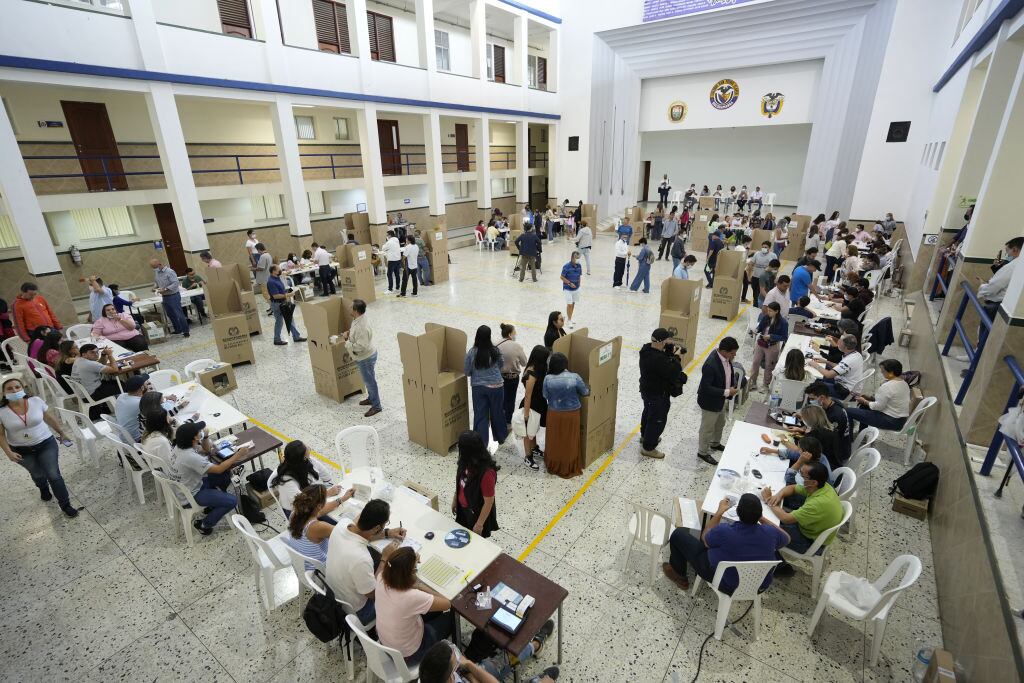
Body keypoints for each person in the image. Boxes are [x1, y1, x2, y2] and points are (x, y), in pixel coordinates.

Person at [663, 493, 788, 591]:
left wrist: (719, 512)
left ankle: (679, 575)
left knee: (677, 534)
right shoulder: (771, 532)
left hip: (725, 583)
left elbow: (705, 539)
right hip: (758, 586)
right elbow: (787, 538)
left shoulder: (725, 531)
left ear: (738, 512)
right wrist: (760, 517)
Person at [0, 377, 78, 518]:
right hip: (20, 449)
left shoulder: (35, 401)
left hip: (45, 443)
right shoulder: (2, 412)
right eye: (10, 389)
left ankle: (66, 505)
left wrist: (61, 433)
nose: (14, 390)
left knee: (54, 475)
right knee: (37, 474)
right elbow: (1, 435)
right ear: (3, 393)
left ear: (22, 388)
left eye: (17, 387)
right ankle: (42, 487)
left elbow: (48, 418)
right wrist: (8, 453)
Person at [325, 499, 406, 623]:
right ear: (377, 527)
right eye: (386, 523)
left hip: (334, 593)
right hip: (357, 611)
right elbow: (373, 594)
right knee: (399, 585)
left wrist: (387, 533)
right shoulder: (361, 558)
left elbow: (363, 535)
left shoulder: (343, 524)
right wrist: (385, 558)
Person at [166, 420, 250, 535]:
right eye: (199, 432)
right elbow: (219, 468)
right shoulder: (190, 457)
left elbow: (205, 450)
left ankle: (214, 504)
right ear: (195, 438)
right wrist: (238, 455)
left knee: (224, 476)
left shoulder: (180, 446)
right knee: (232, 500)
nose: (201, 431)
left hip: (186, 487)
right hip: (191, 495)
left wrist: (205, 436)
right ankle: (204, 524)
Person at [761, 461, 844, 574]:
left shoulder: (817, 504)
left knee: (764, 529)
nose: (799, 476)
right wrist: (777, 495)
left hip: (809, 542)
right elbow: (793, 488)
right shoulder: (823, 486)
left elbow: (786, 518)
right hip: (814, 529)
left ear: (813, 482)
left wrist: (768, 500)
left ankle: (779, 567)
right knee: (778, 510)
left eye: (802, 475)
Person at [375, 546, 454, 665]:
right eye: (414, 569)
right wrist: (418, 584)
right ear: (410, 574)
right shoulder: (411, 597)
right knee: (450, 618)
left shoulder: (381, 577)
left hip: (386, 643)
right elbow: (447, 603)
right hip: (409, 654)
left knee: (433, 609)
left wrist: (409, 560)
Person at [638, 329, 687, 460]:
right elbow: (674, 372)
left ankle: (645, 436)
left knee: (648, 413)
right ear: (662, 342)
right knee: (657, 420)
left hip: (647, 391)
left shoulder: (646, 350)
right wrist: (677, 357)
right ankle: (649, 448)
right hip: (658, 394)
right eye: (667, 341)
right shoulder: (658, 360)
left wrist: (669, 352)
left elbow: (662, 361)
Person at [418, 639, 559, 683]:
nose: (460, 659)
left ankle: (532, 647)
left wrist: (470, 673)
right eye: (456, 661)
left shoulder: (429, 676)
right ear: (449, 678)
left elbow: (462, 665)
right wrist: (469, 665)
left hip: (468, 677)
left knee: (504, 660)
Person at [274, 439, 349, 517]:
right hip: (298, 513)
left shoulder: (307, 461)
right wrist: (331, 495)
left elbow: (327, 477)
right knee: (336, 521)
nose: (310, 450)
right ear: (303, 457)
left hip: (313, 501)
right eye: (308, 449)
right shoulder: (287, 481)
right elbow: (307, 506)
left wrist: (329, 492)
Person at [542, 352, 589, 478]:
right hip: (572, 414)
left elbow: (545, 395)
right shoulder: (575, 377)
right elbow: (584, 392)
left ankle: (553, 463)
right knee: (570, 440)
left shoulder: (547, 379)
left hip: (554, 413)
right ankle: (568, 465)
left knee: (555, 439)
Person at [696, 337, 740, 466]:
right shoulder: (710, 365)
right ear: (724, 351)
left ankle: (715, 443)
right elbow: (706, 387)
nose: (735, 355)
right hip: (710, 401)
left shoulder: (726, 358)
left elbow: (729, 372)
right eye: (733, 353)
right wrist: (727, 392)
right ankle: (702, 452)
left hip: (721, 399)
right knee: (707, 428)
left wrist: (733, 384)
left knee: (720, 422)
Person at [465, 325, 508, 447]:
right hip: (497, 386)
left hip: (479, 387)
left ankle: (481, 442)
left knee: (481, 415)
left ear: (477, 336)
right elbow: (501, 364)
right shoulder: (495, 350)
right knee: (497, 412)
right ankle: (501, 437)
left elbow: (467, 371)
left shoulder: (472, 352)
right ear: (489, 336)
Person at [451, 431, 499, 537]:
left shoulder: (486, 473)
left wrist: (479, 524)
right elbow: (460, 482)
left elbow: (488, 502)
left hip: (476, 515)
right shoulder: (465, 462)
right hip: (463, 510)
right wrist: (455, 499)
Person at [846, 359, 911, 432]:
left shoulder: (887, 386)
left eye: (883, 371)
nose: (881, 372)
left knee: (847, 411)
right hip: (900, 420)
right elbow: (887, 400)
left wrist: (864, 401)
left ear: (891, 372)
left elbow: (878, 407)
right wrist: (865, 397)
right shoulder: (904, 384)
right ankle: (862, 432)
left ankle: (848, 439)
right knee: (864, 406)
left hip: (890, 421)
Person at [343, 299, 380, 417]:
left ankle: (376, 406)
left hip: (365, 358)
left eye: (351, 307)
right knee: (369, 380)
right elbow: (357, 333)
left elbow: (360, 347)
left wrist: (347, 341)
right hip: (366, 355)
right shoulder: (359, 318)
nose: (349, 308)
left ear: (356, 311)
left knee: (369, 382)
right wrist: (350, 333)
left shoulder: (362, 327)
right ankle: (371, 398)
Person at [283, 484, 337, 567]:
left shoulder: (295, 513)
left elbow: (321, 511)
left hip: (302, 562)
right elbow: (344, 533)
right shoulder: (318, 527)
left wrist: (341, 500)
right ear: (319, 506)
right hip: (318, 567)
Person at [517, 345, 549, 470]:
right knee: (528, 432)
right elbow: (528, 395)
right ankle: (528, 457)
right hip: (531, 405)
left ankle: (534, 448)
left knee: (534, 429)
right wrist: (526, 414)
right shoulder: (531, 373)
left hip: (540, 402)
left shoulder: (540, 368)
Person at [977, 237, 1023, 325]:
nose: (1007, 255)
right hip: (1009, 307)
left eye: (1007, 251)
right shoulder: (1016, 264)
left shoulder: (1012, 266)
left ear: (1015, 249)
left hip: (996, 306)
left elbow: (994, 287)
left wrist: (983, 286)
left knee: (985, 334)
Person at [803, 382, 851, 464]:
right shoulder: (832, 402)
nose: (810, 401)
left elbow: (826, 439)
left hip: (836, 454)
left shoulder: (835, 416)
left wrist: (805, 432)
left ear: (822, 397)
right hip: (834, 443)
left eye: (812, 399)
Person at [71, 343, 121, 418]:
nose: (96, 354)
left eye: (97, 352)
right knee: (121, 384)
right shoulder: (89, 364)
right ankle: (122, 406)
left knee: (112, 382)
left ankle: (110, 405)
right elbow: (114, 370)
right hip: (92, 395)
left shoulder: (79, 360)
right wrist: (110, 355)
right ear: (84, 354)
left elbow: (98, 365)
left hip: (83, 394)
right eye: (92, 352)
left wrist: (103, 355)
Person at [809, 333, 863, 399]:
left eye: (840, 342)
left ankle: (813, 403)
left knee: (813, 386)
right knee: (817, 378)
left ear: (845, 347)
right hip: (843, 382)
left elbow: (828, 375)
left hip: (844, 391)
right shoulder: (855, 354)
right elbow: (839, 366)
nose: (838, 343)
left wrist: (815, 365)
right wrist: (826, 361)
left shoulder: (849, 360)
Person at [749, 302, 789, 391]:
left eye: (770, 311)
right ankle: (753, 382)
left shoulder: (783, 322)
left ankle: (766, 385)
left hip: (772, 346)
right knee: (755, 362)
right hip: (761, 343)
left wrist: (771, 336)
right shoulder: (766, 317)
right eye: (768, 310)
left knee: (769, 366)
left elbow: (784, 337)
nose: (768, 312)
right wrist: (756, 330)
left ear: (776, 311)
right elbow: (760, 327)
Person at [266, 264, 306, 346]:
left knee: (290, 319)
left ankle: (296, 337)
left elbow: (281, 290)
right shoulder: (271, 282)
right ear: (273, 271)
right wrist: (288, 295)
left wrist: (286, 296)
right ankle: (277, 339)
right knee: (279, 322)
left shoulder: (277, 278)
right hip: (277, 305)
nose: (280, 270)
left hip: (283, 302)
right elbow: (275, 296)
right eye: (278, 269)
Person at [496, 324, 527, 428]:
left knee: (501, 399)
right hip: (513, 378)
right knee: (511, 399)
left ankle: (499, 419)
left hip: (499, 377)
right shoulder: (516, 346)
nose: (516, 334)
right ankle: (508, 421)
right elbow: (524, 362)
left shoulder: (496, 344)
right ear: (510, 334)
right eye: (514, 332)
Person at [150, 259, 189, 338]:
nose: (154, 269)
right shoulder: (157, 273)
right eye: (153, 268)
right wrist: (154, 288)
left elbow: (175, 283)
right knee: (170, 314)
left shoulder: (170, 272)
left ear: (160, 264)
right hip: (165, 297)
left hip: (173, 295)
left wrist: (165, 289)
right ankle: (178, 329)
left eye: (155, 267)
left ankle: (186, 331)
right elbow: (157, 282)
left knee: (179, 314)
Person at [114, 373, 151, 443]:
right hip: (138, 439)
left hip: (124, 437)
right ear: (142, 388)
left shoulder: (121, 396)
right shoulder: (140, 403)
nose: (147, 384)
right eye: (145, 383)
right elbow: (160, 412)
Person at [560, 251, 583, 328]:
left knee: (573, 304)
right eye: (576, 258)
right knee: (569, 304)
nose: (578, 259)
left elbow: (579, 275)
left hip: (576, 289)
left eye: (579, 258)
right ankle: (569, 320)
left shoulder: (579, 265)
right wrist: (569, 283)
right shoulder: (566, 266)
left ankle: (570, 318)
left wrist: (579, 285)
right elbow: (562, 277)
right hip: (568, 289)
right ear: (572, 258)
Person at [747, 241, 774, 307]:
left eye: (766, 247)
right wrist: (749, 275)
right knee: (755, 293)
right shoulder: (757, 254)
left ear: (769, 248)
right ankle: (755, 305)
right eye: (763, 247)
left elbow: (775, 268)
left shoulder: (773, 256)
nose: (764, 248)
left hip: (765, 279)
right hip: (755, 277)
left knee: (759, 294)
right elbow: (751, 264)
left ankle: (758, 306)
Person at [252, 243, 273, 309]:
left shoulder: (263, 256)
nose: (257, 252)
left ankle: (272, 307)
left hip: (264, 279)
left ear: (258, 249)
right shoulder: (268, 255)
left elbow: (261, 268)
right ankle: (271, 307)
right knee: (268, 294)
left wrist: (253, 269)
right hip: (268, 277)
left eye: (257, 250)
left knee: (266, 294)